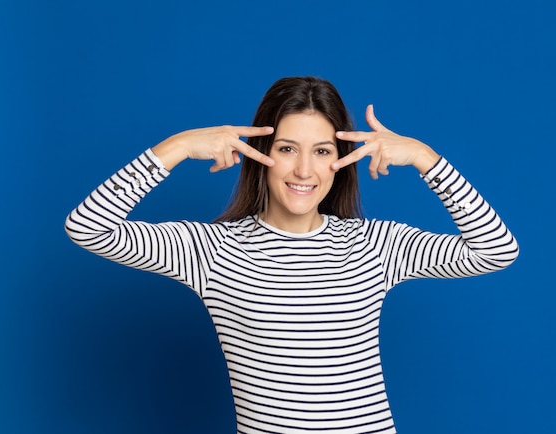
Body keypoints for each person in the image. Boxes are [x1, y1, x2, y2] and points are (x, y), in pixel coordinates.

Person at [65, 76, 519, 434]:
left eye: (322, 151)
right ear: (260, 154)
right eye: (287, 149)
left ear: (339, 161)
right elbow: (87, 227)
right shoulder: (211, 250)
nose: (304, 169)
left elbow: (496, 250)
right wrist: (178, 147)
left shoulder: (374, 245)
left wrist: (426, 159)